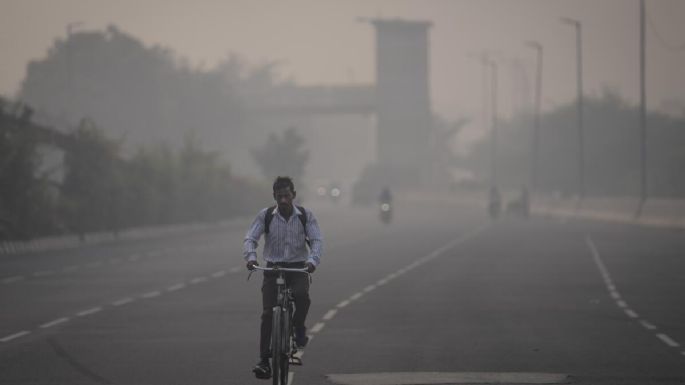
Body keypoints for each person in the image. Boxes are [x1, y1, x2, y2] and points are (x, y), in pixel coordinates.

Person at [244, 176, 323, 379]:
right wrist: (251, 258)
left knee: (302, 296)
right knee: (268, 314)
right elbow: (251, 238)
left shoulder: (305, 215)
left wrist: (313, 261)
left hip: (298, 268)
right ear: (274, 197)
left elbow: (316, 240)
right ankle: (263, 360)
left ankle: (298, 329)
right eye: (279, 196)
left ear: (293, 195)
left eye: (287, 195)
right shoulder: (266, 215)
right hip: (273, 269)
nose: (284, 200)